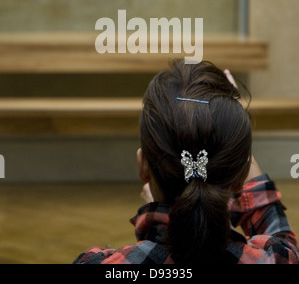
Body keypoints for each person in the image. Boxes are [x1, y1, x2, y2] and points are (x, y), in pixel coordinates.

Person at [73, 60, 299, 265]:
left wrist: (156, 225)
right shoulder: (276, 259)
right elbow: (283, 242)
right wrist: (234, 136)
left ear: (143, 166)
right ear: (240, 174)